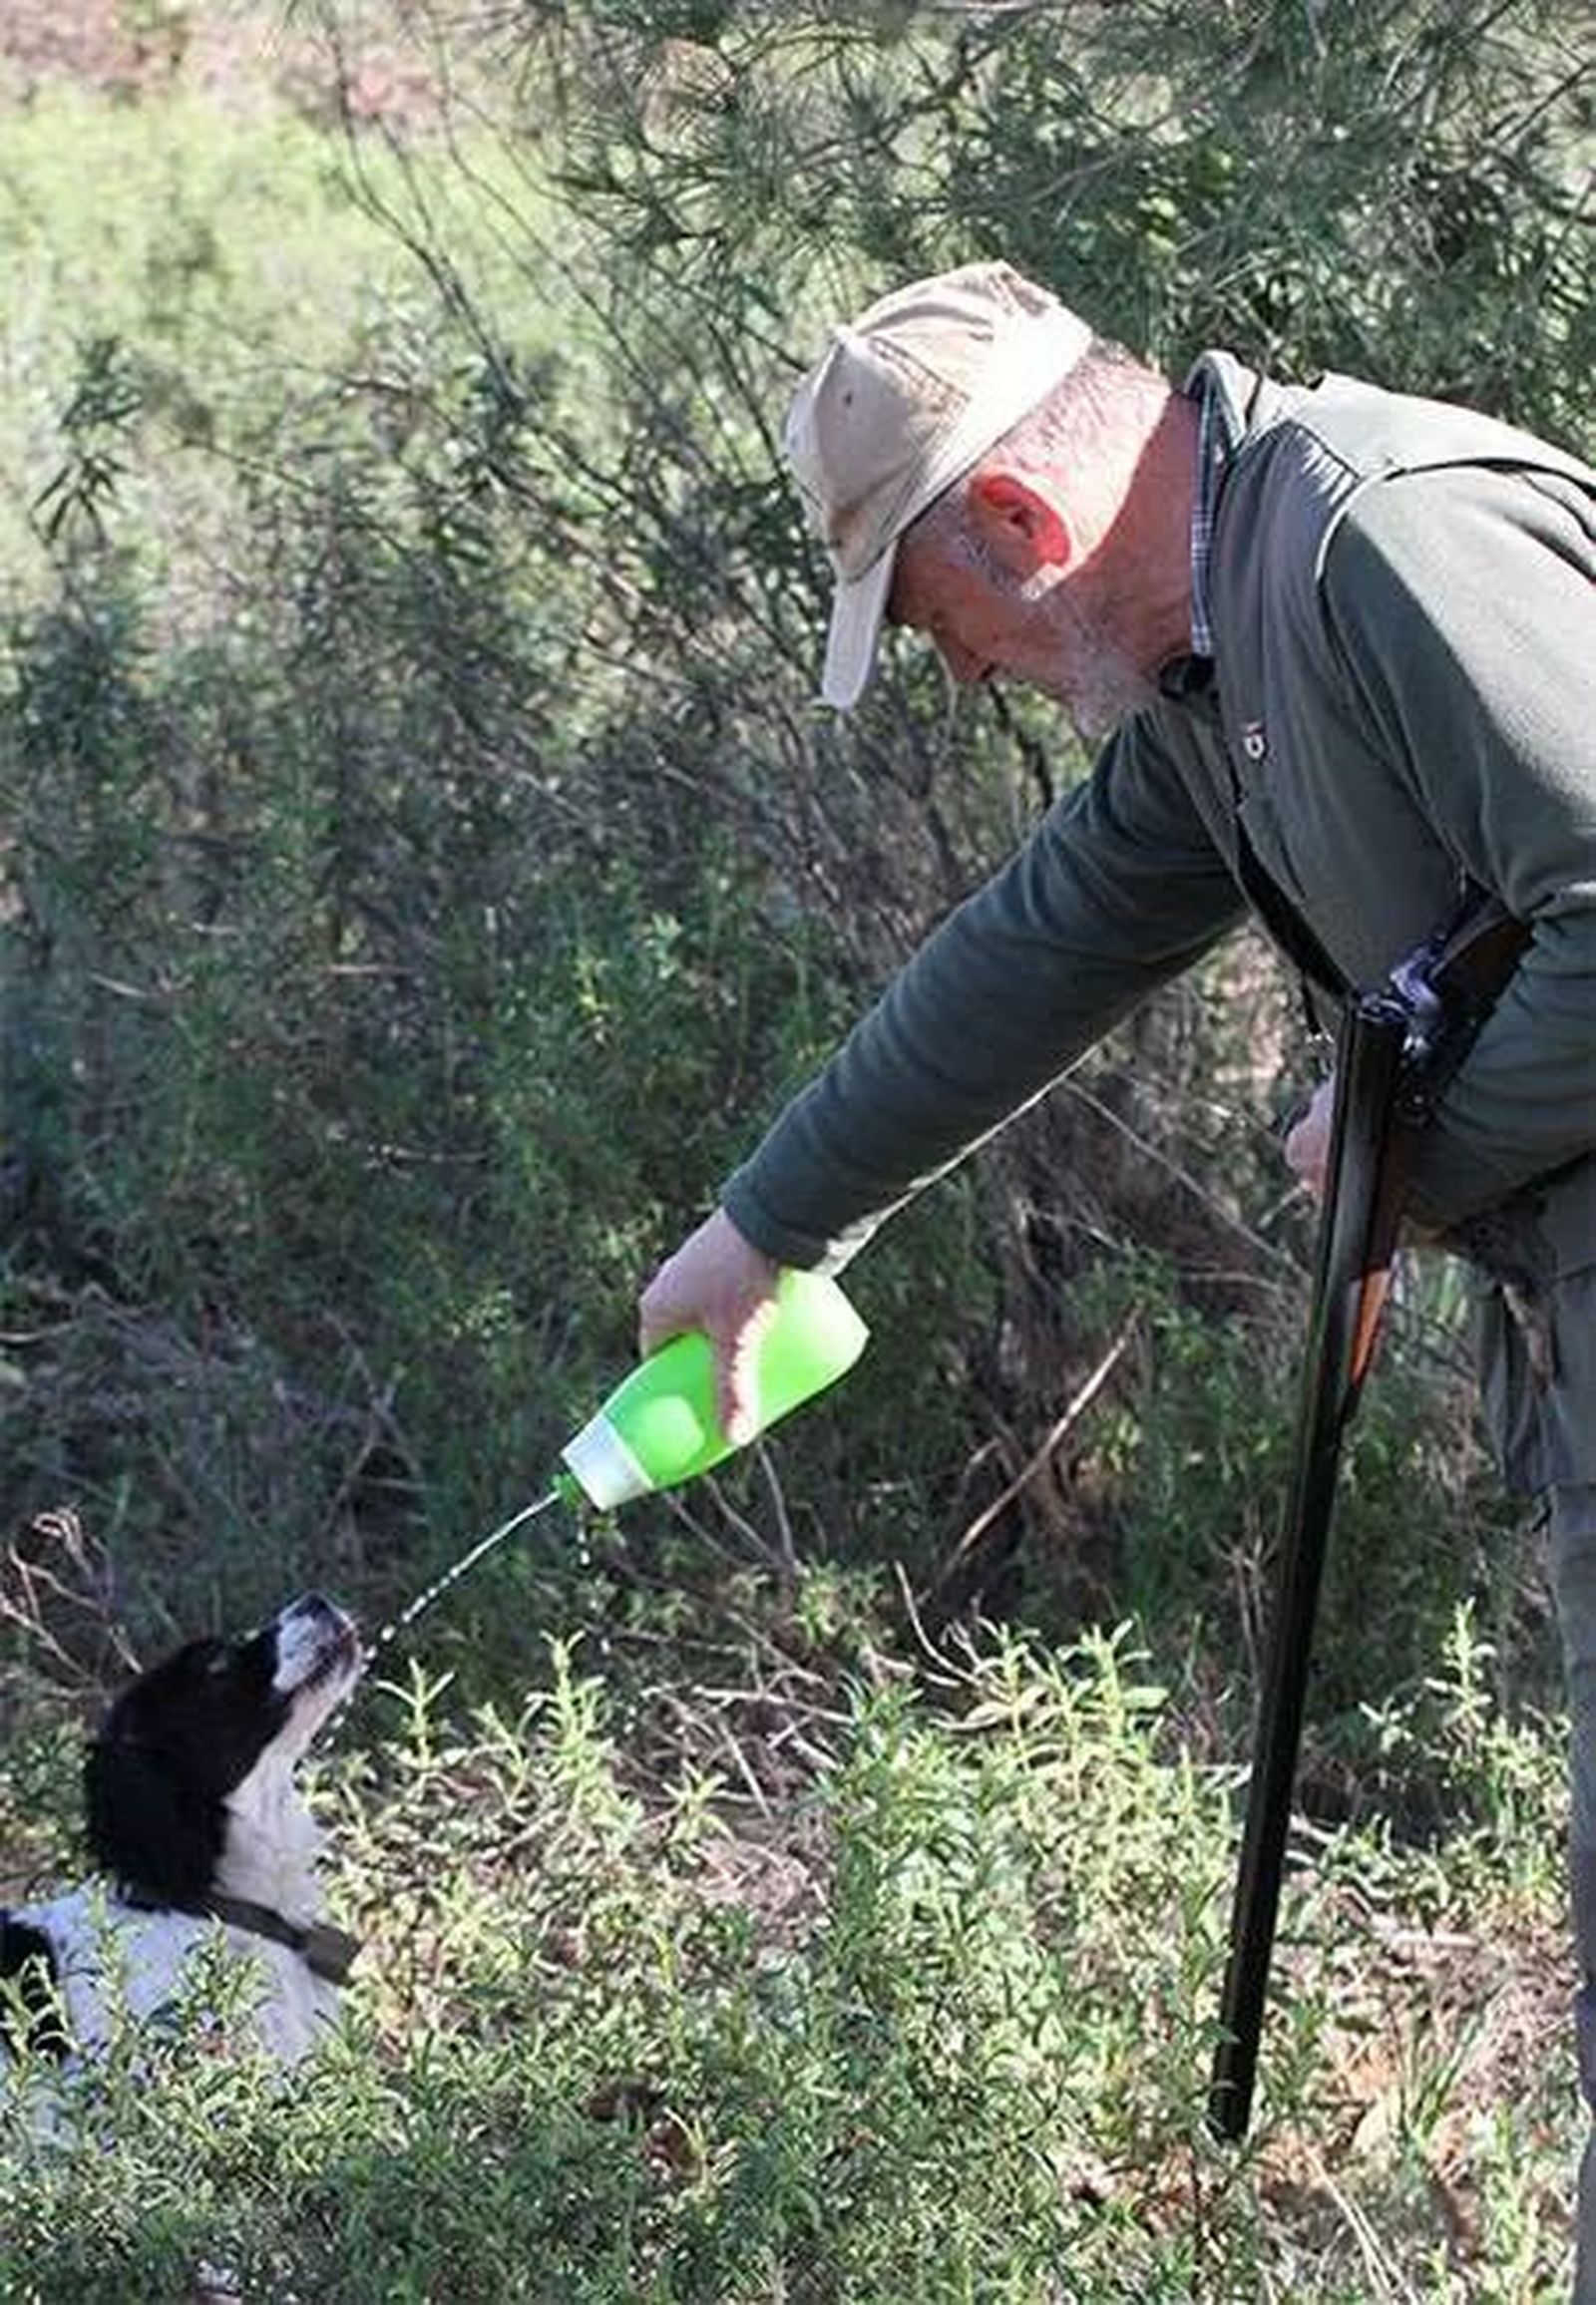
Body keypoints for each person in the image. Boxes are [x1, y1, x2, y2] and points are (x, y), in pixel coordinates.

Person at [635, 261, 1596, 2282]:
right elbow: (1043, 939)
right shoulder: (1208, 666)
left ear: (1014, 527)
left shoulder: (1368, 540)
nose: (957, 670)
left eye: (928, 620)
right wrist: (764, 1224)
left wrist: (1415, 1144)